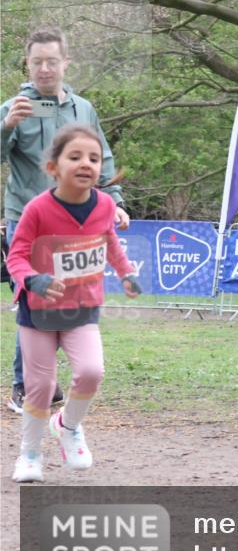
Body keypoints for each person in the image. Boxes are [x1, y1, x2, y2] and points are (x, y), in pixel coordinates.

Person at [2, 27, 130, 413]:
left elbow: (101, 156)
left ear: (65, 63)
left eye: (52, 61)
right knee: (35, 297)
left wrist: (114, 200)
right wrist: (6, 128)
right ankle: (26, 385)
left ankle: (49, 378)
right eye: (37, 61)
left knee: (68, 298)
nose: (45, 69)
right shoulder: (13, 108)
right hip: (29, 219)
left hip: (75, 224)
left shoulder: (83, 109)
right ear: (27, 64)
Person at [5, 124, 140, 482]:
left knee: (92, 372)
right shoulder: (37, 209)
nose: (86, 164)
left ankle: (67, 425)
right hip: (38, 312)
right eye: (75, 156)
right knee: (40, 387)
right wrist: (33, 279)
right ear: (53, 167)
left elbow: (110, 242)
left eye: (94, 158)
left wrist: (126, 272)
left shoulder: (105, 205)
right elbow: (16, 256)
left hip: (82, 309)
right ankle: (29, 454)